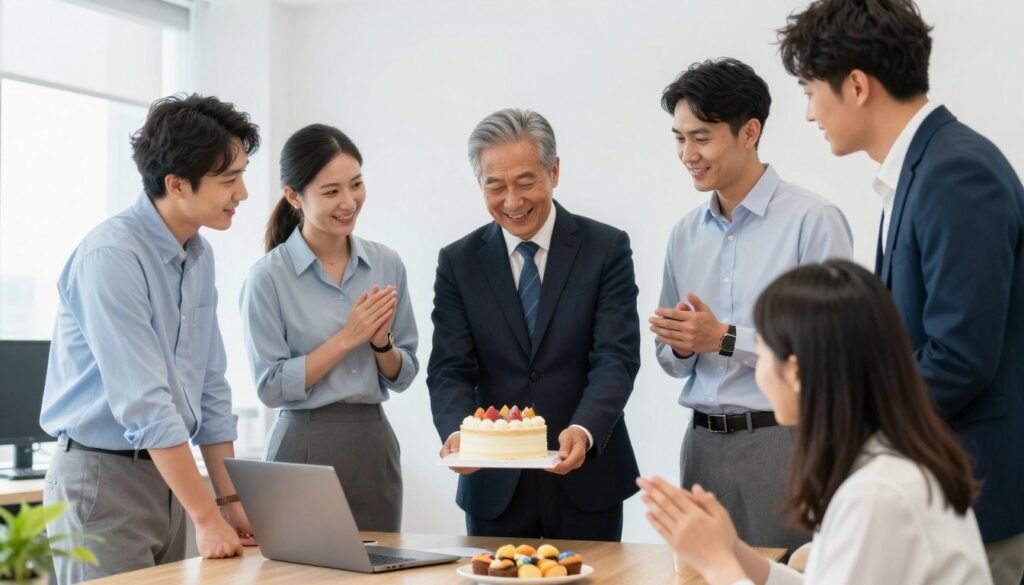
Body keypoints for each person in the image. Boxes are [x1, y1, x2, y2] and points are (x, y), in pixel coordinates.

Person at [777, 1, 1024, 582]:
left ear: (857, 85)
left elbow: (959, 357)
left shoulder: (955, 173)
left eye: (811, 91)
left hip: (977, 498)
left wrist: (851, 427)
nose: (810, 113)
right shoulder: (923, 168)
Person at [640, 260, 992, 585]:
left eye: (762, 350)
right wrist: (732, 548)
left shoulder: (878, 494)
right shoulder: (882, 466)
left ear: (794, 372)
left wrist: (717, 562)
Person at [39, 94, 260, 584]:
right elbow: (145, 404)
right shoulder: (111, 257)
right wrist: (206, 516)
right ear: (176, 184)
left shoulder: (198, 255)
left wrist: (227, 502)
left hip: (172, 479)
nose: (242, 193)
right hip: (102, 480)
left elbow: (210, 388)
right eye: (229, 180)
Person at [649, 58, 852, 553]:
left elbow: (831, 353)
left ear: (749, 131)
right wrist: (678, 345)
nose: (687, 154)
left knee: (784, 574)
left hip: (781, 445)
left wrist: (724, 338)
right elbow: (671, 361)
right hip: (699, 447)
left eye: (701, 137)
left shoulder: (814, 221)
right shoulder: (684, 234)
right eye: (679, 138)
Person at [428, 108, 640, 540]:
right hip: (493, 486)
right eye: (495, 186)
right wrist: (456, 433)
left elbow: (615, 358)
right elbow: (449, 367)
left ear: (554, 171)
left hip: (588, 479)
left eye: (526, 181)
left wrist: (584, 429)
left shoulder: (606, 248)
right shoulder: (458, 262)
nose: (512, 201)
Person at [239, 124, 417, 532]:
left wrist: (379, 344)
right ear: (293, 196)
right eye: (331, 191)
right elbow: (270, 386)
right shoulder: (267, 278)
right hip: (302, 444)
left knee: (379, 573)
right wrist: (347, 339)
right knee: (298, 574)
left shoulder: (387, 264)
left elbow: (404, 373)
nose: (349, 201)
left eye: (356, 185)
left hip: (374, 443)